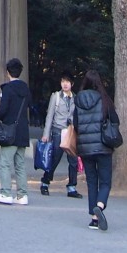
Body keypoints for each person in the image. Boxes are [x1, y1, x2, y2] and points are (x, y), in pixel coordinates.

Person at [73, 69, 120, 231]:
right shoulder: (104, 100)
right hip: (103, 146)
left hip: (85, 148)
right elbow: (115, 120)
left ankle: (94, 219)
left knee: (92, 181)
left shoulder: (78, 100)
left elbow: (76, 124)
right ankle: (99, 206)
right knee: (105, 181)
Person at [0, 57, 31, 205]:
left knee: (5, 163)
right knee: (20, 163)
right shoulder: (25, 89)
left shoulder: (7, 89)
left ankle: (6, 192)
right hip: (22, 131)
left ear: (8, 72)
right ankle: (22, 195)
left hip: (10, 131)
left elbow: (3, 109)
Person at [39, 70, 81, 198]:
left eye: (67, 82)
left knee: (73, 160)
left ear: (72, 84)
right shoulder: (56, 96)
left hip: (71, 131)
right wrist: (46, 134)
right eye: (63, 81)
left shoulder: (76, 98)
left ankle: (72, 187)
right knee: (55, 158)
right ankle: (45, 182)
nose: (65, 84)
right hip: (58, 130)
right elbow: (49, 115)